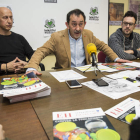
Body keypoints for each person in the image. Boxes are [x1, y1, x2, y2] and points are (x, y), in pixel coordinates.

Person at [25, 9, 130, 75]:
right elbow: (41, 51)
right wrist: (31, 67)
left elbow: (103, 46)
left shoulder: (88, 34)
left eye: (81, 24)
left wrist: (116, 58)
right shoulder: (57, 37)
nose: (78, 28)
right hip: (65, 75)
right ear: (67, 25)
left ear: (85, 24)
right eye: (74, 24)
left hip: (86, 73)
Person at [0, 7, 34, 74]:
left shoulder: (20, 38)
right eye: (5, 17)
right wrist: (5, 67)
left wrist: (26, 65)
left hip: (23, 76)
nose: (9, 21)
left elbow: (34, 56)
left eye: (11, 17)